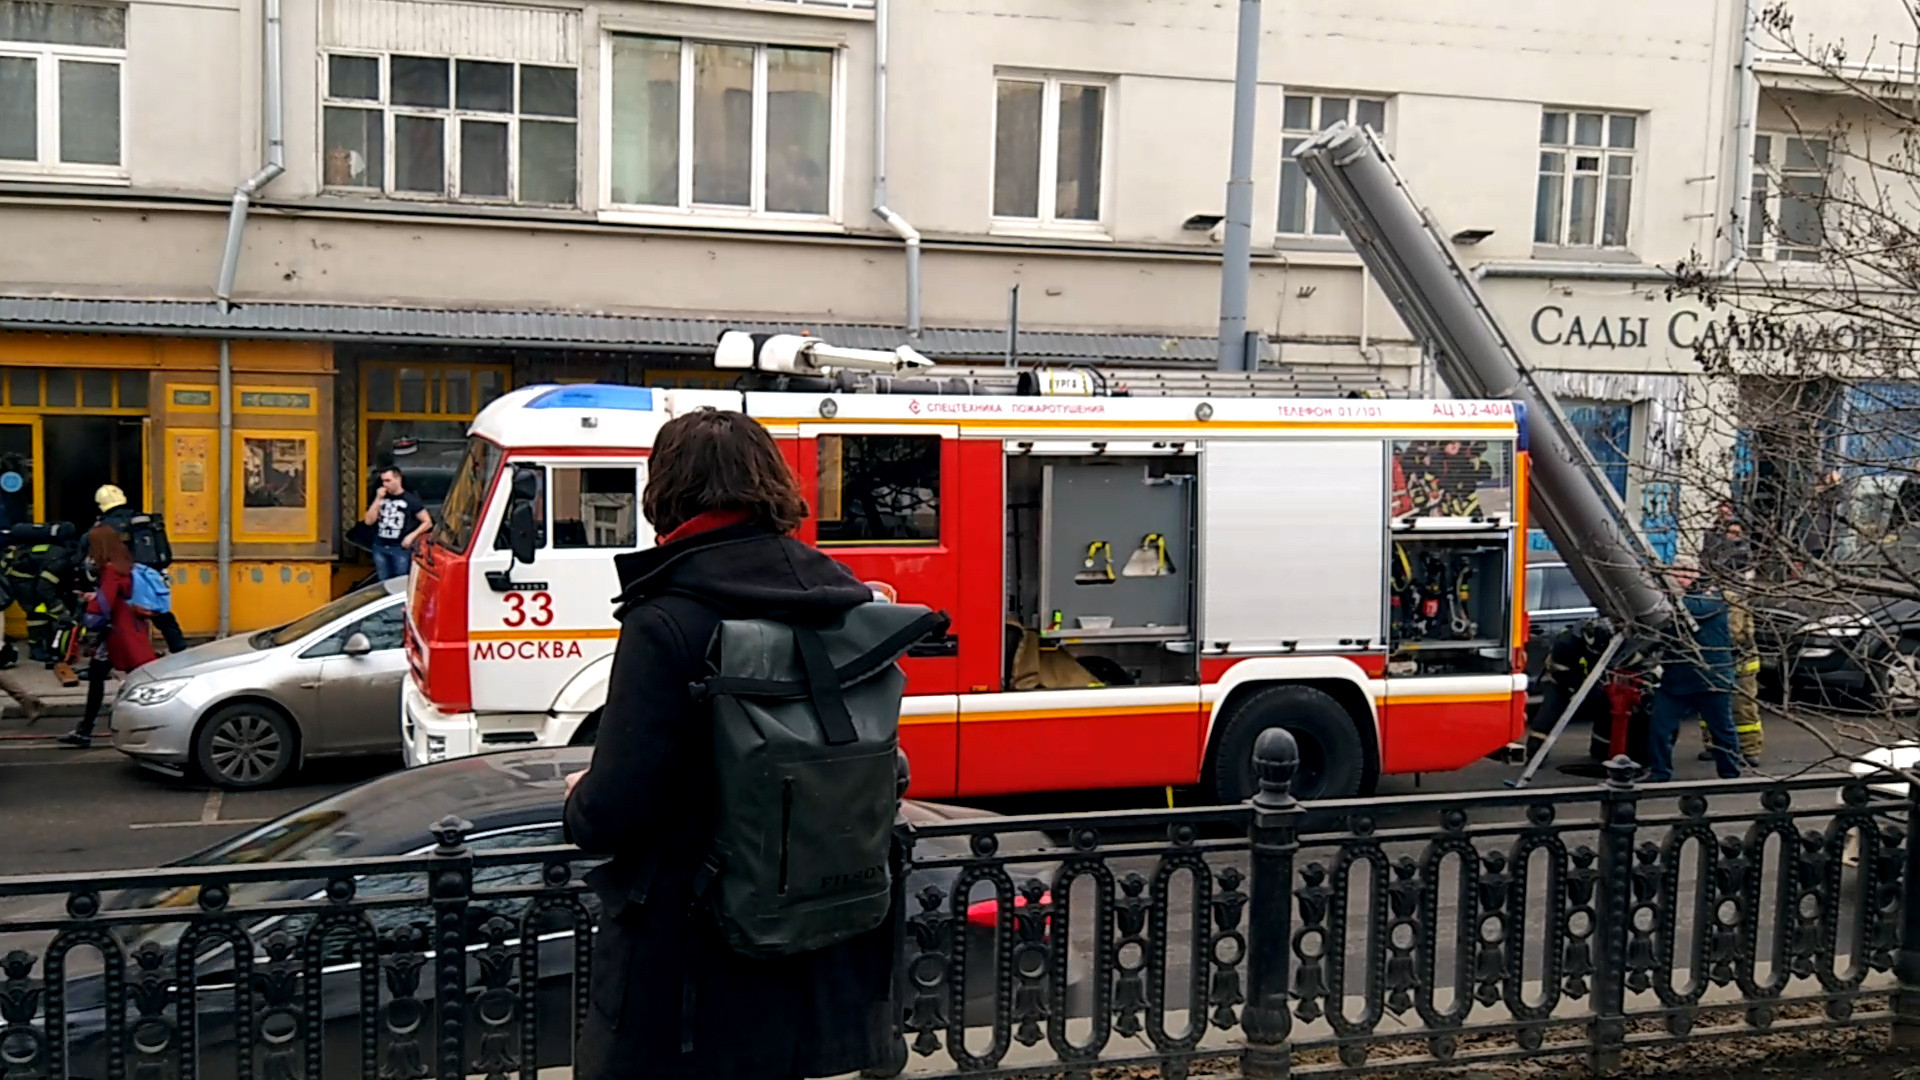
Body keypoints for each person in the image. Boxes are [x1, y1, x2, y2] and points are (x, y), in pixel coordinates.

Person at [564, 408, 896, 1080]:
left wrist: (579, 801)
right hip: (818, 943)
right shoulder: (842, 601)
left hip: (691, 964)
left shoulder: (666, 618)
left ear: (666, 492)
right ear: (772, 485)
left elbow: (618, 809)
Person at [59, 526, 157, 748]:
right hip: (128, 630)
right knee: (129, 677)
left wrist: (90, 609)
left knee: (128, 680)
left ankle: (152, 725)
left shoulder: (110, 569)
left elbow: (106, 602)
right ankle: (87, 729)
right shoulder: (124, 564)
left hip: (118, 634)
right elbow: (120, 594)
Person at [1647, 555, 1740, 782]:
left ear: (1696, 574)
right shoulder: (1670, 602)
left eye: (1685, 574)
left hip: (1712, 678)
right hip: (1677, 680)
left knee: (1722, 730)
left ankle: (1731, 775)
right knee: (1660, 728)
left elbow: (1692, 611)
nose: (1680, 579)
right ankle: (1659, 773)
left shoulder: (1712, 597)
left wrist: (1661, 596)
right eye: (1676, 574)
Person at [94, 485, 186, 654]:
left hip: (125, 577)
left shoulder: (104, 526)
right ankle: (180, 651)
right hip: (152, 574)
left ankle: (106, 661)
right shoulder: (142, 520)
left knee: (118, 617)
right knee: (161, 615)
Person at [363, 467, 430, 581]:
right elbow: (368, 521)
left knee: (400, 582)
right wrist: (378, 499)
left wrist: (412, 536)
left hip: (400, 548)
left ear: (398, 479)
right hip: (380, 546)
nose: (385, 484)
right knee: (383, 581)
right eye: (383, 481)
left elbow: (427, 522)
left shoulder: (410, 499)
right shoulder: (381, 498)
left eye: (388, 481)